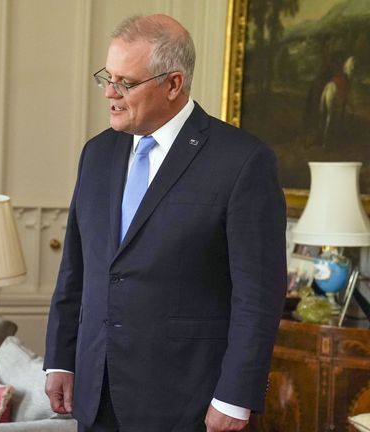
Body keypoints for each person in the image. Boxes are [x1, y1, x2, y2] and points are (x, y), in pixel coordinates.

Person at [43, 14, 286, 432]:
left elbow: (258, 295)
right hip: (95, 393)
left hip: (187, 401)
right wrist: (61, 359)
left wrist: (235, 396)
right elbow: (77, 270)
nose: (110, 94)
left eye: (126, 83)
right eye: (107, 77)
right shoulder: (97, 154)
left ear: (173, 84)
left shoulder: (242, 161)